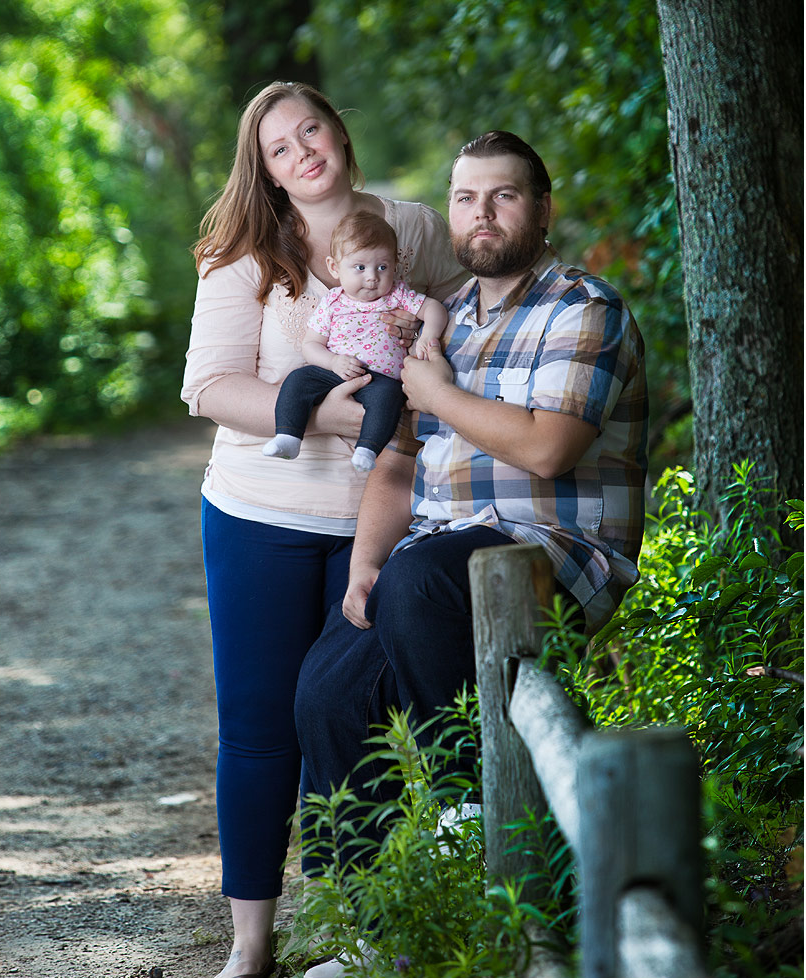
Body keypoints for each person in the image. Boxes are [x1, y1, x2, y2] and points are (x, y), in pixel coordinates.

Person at [295, 131, 648, 974]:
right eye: (464, 197)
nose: (480, 214)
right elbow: (398, 464)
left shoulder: (581, 307)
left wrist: (441, 393)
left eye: (503, 195)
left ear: (541, 209)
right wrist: (362, 568)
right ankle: (372, 930)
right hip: (435, 561)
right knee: (324, 687)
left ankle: (470, 825)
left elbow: (550, 448)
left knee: (421, 583)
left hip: (556, 555)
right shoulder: (443, 324)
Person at [181, 80, 466, 979]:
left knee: (344, 715)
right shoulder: (244, 254)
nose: (303, 151)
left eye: (312, 130)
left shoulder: (412, 228)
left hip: (371, 518)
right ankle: (251, 944)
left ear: (340, 133)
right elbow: (209, 387)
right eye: (279, 147)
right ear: (263, 171)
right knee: (261, 727)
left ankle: (352, 928)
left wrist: (436, 383)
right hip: (254, 515)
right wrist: (326, 418)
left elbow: (476, 315)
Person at [263, 210, 447, 472]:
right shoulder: (332, 302)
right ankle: (288, 436)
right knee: (298, 380)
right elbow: (311, 345)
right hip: (337, 372)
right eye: (360, 267)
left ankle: (367, 449)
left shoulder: (397, 295)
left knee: (389, 398)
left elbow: (435, 309)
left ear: (394, 265)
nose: (372, 277)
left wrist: (428, 333)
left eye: (382, 267)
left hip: (380, 379)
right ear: (334, 267)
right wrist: (333, 361)